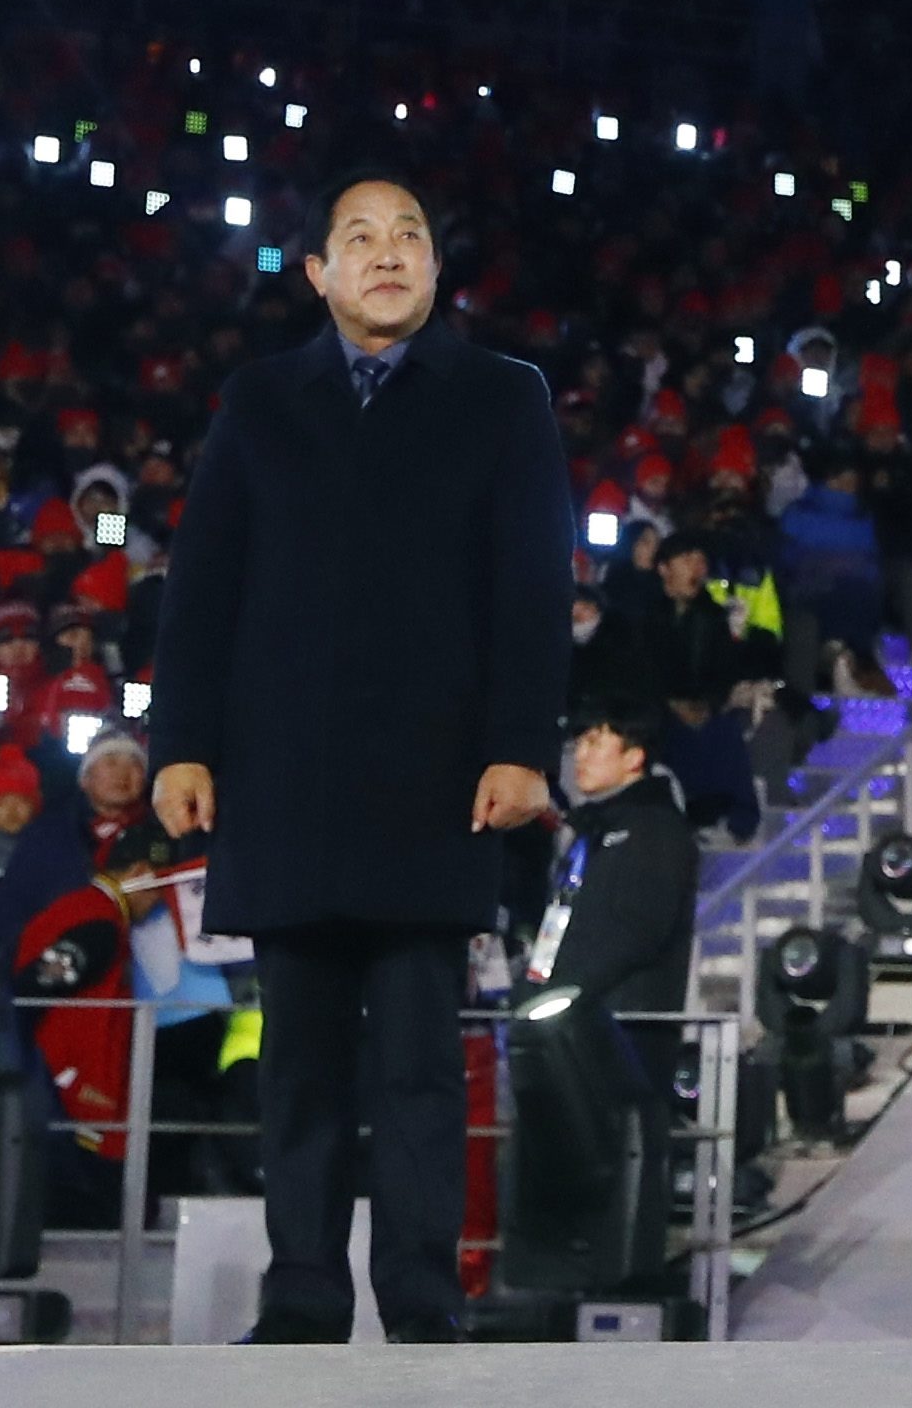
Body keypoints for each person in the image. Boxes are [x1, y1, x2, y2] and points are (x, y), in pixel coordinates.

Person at [143, 171, 573, 1345]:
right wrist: (179, 744)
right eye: (359, 238)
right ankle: (302, 1297)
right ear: (319, 273)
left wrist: (523, 748)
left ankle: (425, 1298)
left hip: (437, 783)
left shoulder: (501, 397)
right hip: (283, 781)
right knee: (300, 1068)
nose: (388, 252)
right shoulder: (259, 400)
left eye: (410, 235)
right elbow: (202, 592)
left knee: (423, 1066)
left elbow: (533, 589)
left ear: (436, 270)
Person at [532, 708, 701, 1054]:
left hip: (622, 1030)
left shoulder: (657, 830)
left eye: (595, 743)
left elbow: (637, 930)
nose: (580, 755)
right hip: (569, 1021)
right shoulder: (589, 828)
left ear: (634, 756)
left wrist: (566, 989)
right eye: (578, 744)